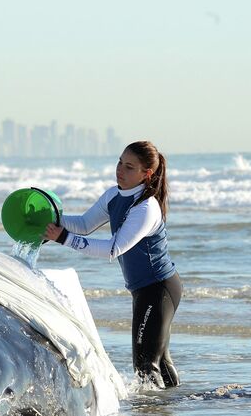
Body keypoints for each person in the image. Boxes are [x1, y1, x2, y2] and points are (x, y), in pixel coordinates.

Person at [43, 141, 182, 388]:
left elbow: (112, 249)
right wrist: (51, 220)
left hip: (159, 290)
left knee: (145, 364)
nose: (120, 170)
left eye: (129, 167)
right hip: (145, 290)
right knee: (158, 362)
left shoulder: (145, 207)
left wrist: (62, 238)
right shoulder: (114, 195)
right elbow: (85, 224)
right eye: (120, 162)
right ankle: (170, 414)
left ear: (146, 174)